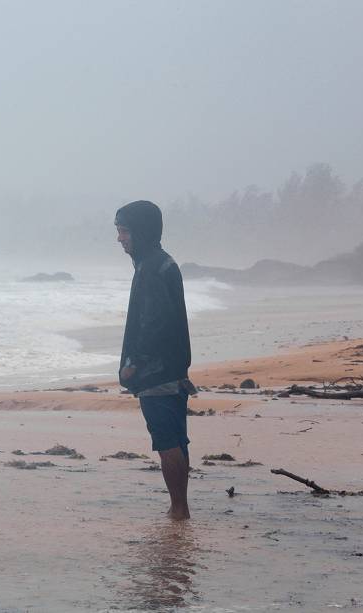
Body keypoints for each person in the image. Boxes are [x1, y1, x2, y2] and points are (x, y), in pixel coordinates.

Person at [115, 200, 194, 520]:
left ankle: (179, 509)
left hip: (157, 371)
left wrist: (135, 363)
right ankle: (180, 507)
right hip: (173, 368)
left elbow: (155, 322)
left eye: (123, 231)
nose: (120, 238)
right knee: (176, 438)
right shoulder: (162, 262)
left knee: (166, 441)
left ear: (141, 231)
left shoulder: (150, 269)